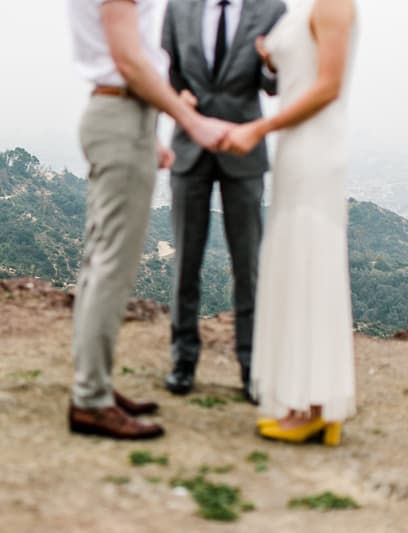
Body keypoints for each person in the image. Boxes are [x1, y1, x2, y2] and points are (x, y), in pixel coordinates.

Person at [68, 0, 231, 440]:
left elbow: (128, 62)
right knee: (111, 268)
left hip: (125, 117)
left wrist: (152, 132)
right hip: (121, 117)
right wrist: (190, 121)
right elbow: (128, 61)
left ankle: (93, 383)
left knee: (99, 263)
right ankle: (91, 399)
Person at [221, 0, 357, 444]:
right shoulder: (304, 9)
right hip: (296, 151)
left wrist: (259, 129)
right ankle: (304, 401)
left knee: (313, 269)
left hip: (316, 150)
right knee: (298, 269)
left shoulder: (335, 4)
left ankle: (318, 406)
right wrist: (267, 57)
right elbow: (296, 79)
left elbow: (328, 87)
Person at [162, 0, 286, 401]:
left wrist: (270, 64)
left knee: (247, 265)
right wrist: (180, 95)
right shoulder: (178, 7)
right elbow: (168, 69)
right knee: (186, 261)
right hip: (190, 147)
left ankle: (252, 368)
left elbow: (276, 84)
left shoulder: (270, 9)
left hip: (243, 150)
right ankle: (182, 361)